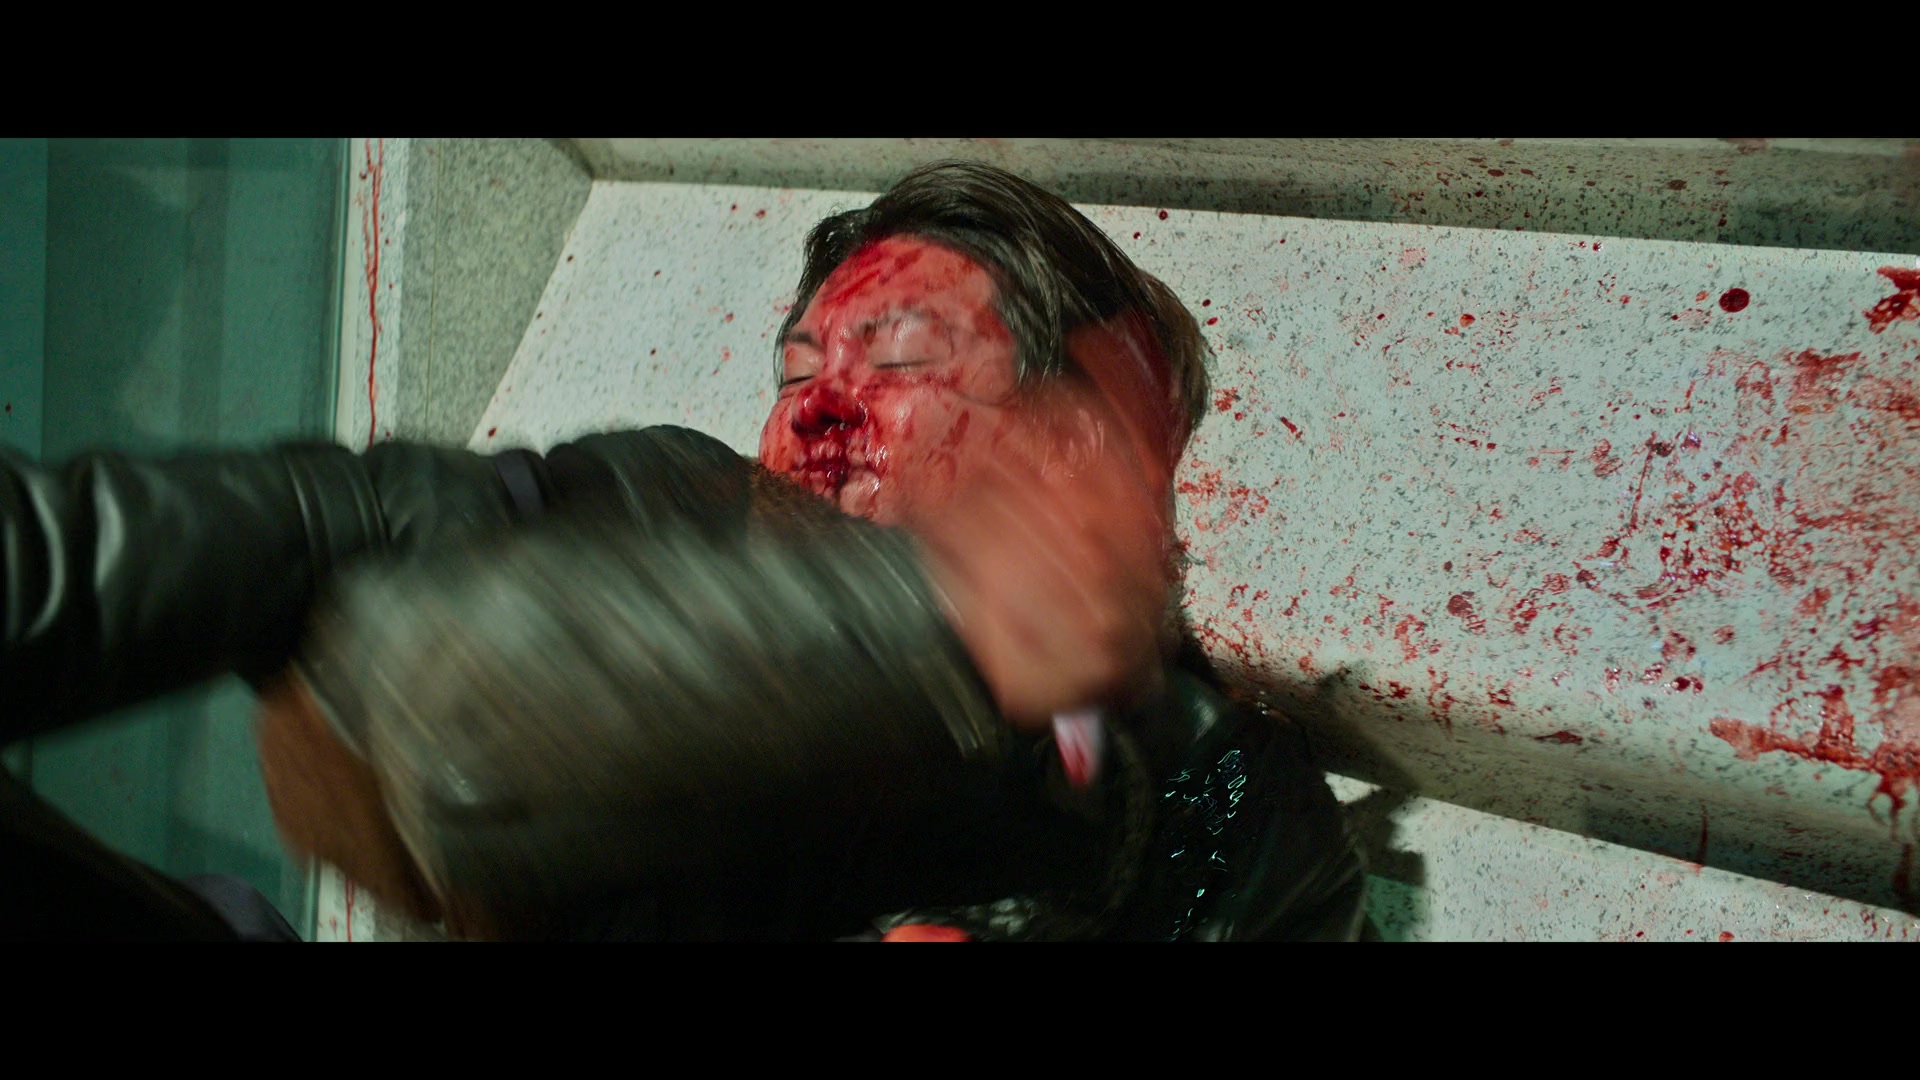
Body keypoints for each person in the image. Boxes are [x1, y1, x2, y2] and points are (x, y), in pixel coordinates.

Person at [2, 162, 1365, 941]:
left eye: (901, 361)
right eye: (797, 370)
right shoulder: (686, 503)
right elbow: (397, 647)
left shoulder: (1225, 813)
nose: (816, 411)